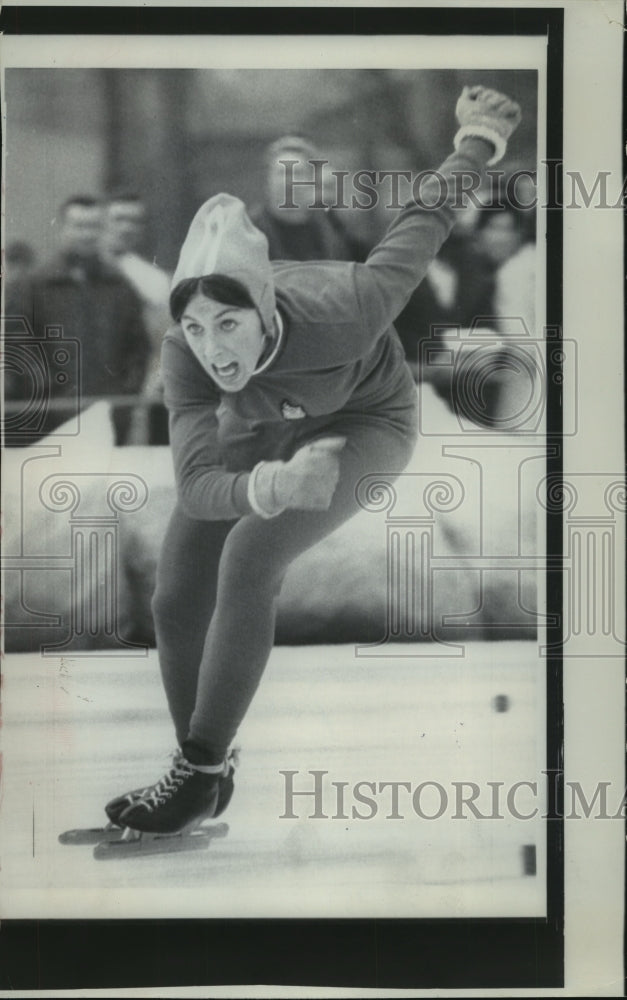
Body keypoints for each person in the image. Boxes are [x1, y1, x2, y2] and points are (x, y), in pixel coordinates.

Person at [105, 86, 521, 841]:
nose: (213, 346)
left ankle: (197, 765)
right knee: (175, 594)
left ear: (266, 309)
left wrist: (477, 141)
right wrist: (268, 480)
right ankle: (201, 772)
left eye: (228, 323)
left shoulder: (347, 304)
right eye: (196, 326)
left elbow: (421, 221)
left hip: (365, 422)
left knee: (251, 556)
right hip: (263, 433)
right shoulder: (188, 356)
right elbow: (200, 489)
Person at [5, 195, 151, 445]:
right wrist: (49, 395)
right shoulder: (33, 286)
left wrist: (124, 396)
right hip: (49, 419)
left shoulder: (120, 287)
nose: (87, 234)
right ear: (63, 228)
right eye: (79, 226)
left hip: (109, 416)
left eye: (94, 226)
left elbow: (138, 348)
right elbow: (18, 345)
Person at [101, 191, 172, 443]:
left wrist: (150, 387)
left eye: (135, 221)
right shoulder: (80, 273)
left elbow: (163, 340)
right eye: (119, 219)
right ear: (103, 221)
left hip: (134, 391)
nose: (127, 227)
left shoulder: (153, 281)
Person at [249, 135, 369, 263]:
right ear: (268, 180)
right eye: (282, 173)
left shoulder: (331, 233)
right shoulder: (249, 230)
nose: (289, 182)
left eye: (298, 173)